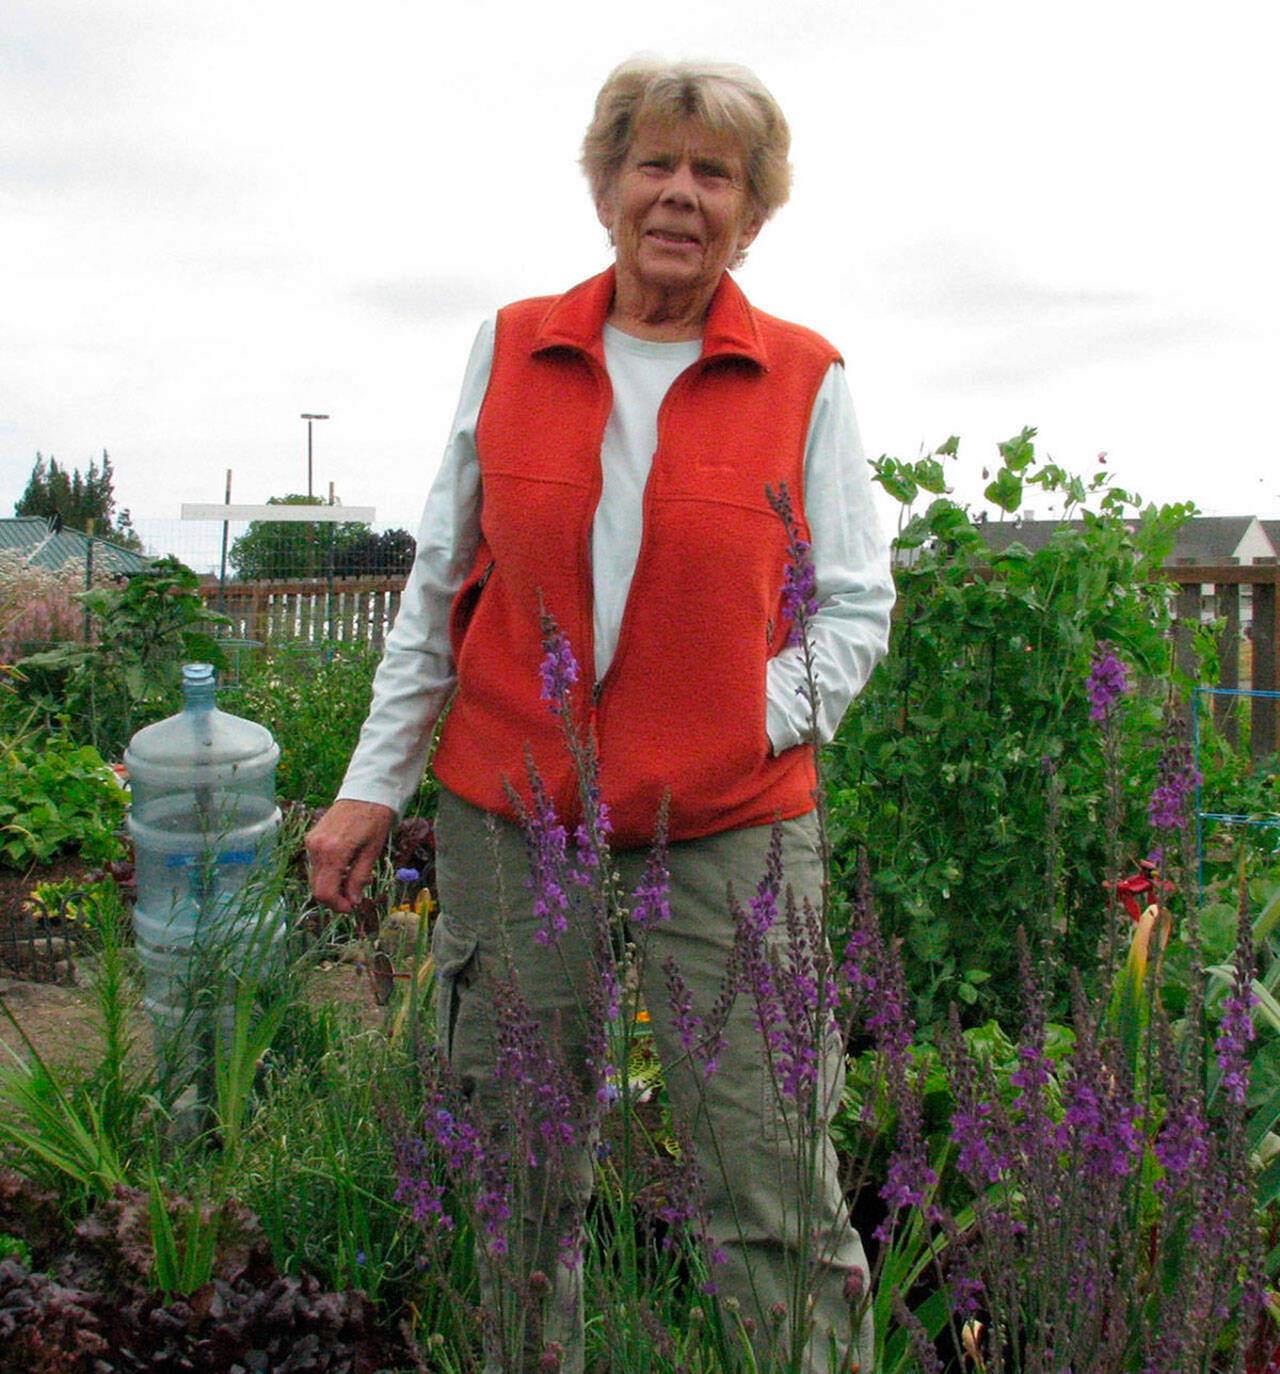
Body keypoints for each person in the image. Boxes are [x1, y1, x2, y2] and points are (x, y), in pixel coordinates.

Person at [307, 56, 895, 1373]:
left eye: (715, 174)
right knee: (515, 1172)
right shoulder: (515, 346)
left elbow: (857, 605)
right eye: (655, 163)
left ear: (753, 212)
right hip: (517, 814)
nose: (680, 193)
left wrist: (747, 717)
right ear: (607, 186)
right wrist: (370, 785)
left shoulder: (805, 377)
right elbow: (440, 583)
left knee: (768, 1177)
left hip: (732, 825)